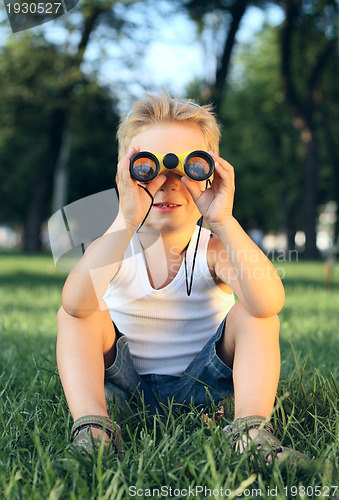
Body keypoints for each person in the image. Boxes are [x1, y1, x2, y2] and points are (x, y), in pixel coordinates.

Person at [56, 92, 308, 464]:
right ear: (126, 173)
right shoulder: (112, 247)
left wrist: (222, 221)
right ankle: (94, 432)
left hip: (204, 388)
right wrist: (125, 220)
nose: (167, 183)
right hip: (127, 388)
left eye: (189, 169)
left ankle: (251, 433)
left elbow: (269, 303)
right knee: (77, 313)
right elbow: (74, 305)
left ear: (209, 177)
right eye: (148, 168)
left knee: (254, 314)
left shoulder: (214, 250)